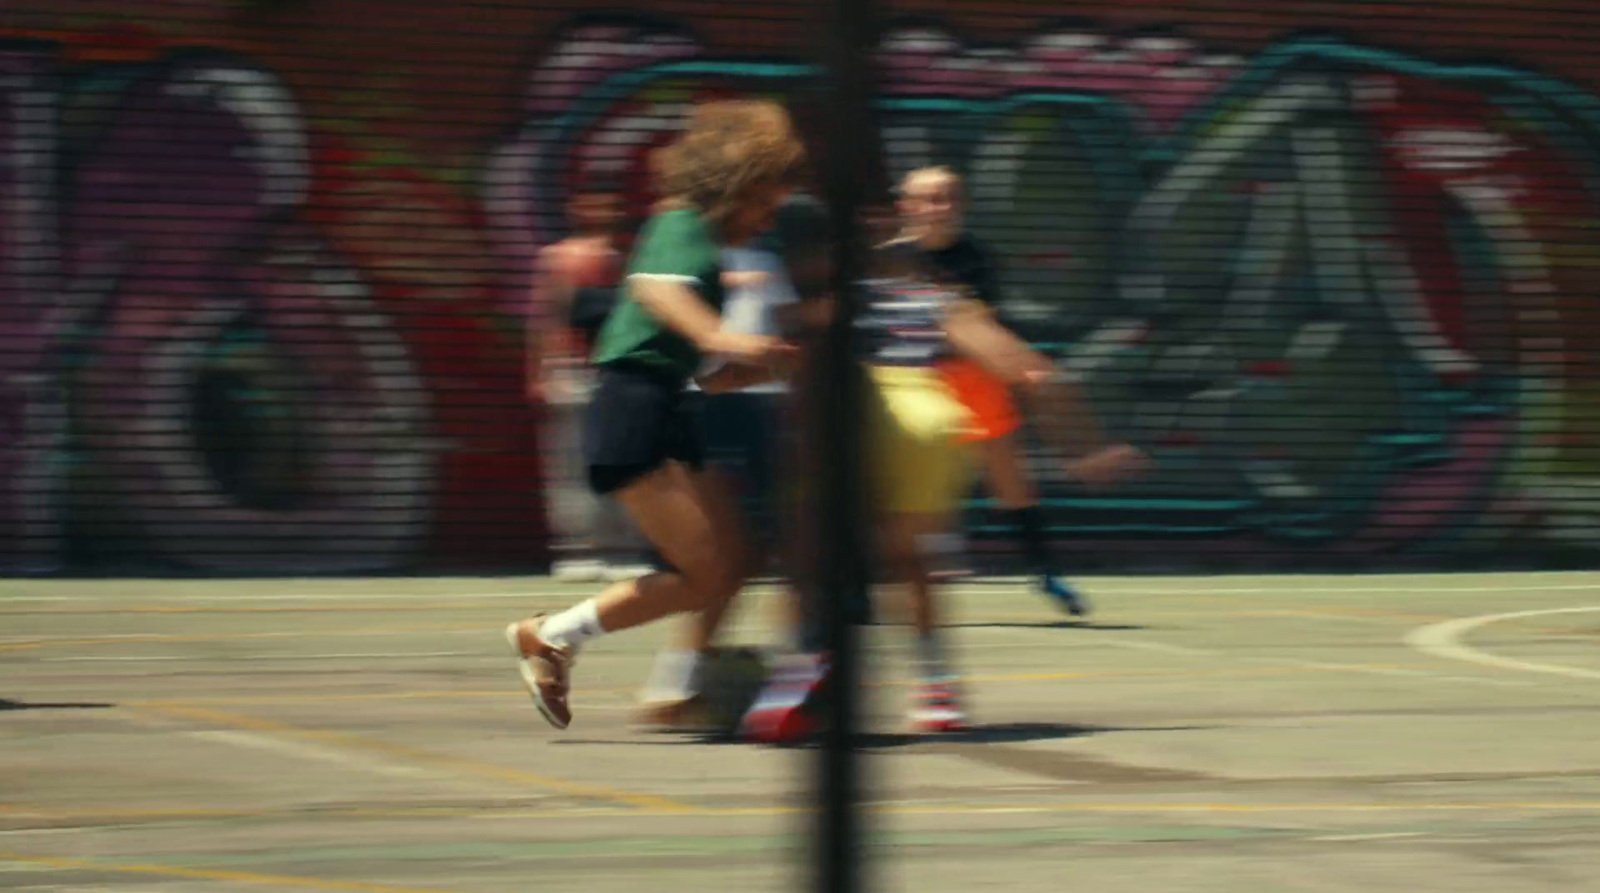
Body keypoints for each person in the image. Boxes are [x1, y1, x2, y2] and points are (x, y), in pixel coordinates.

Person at [743, 237, 1150, 740]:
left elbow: (772, 356)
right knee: (910, 558)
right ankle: (937, 689)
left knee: (809, 555)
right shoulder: (940, 303)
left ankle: (797, 676)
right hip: (928, 415)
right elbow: (1032, 373)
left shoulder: (821, 296)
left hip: (856, 406)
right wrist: (1085, 448)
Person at [504, 99, 805, 732]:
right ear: (737, 185)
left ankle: (677, 692)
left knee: (739, 557)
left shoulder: (711, 251)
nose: (769, 217)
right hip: (631, 406)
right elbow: (655, 290)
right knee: (702, 573)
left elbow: (709, 372)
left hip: (669, 403)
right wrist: (733, 338)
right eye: (765, 202)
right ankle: (552, 635)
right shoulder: (681, 221)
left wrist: (768, 367)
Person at [897, 166, 1091, 615]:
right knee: (896, 490)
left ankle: (1046, 572)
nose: (938, 208)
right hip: (910, 381)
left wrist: (1020, 367)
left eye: (947, 198)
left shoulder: (976, 259)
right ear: (906, 207)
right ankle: (859, 585)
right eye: (927, 199)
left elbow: (982, 328)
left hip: (972, 380)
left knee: (1014, 484)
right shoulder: (887, 258)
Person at [527, 181, 651, 583]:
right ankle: (577, 549)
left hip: (619, 369)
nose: (603, 210)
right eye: (594, 201)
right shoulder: (557, 258)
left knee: (624, 458)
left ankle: (623, 549)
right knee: (570, 465)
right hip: (572, 370)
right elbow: (544, 318)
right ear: (575, 206)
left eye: (612, 202)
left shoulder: (632, 256)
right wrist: (539, 372)